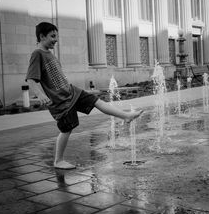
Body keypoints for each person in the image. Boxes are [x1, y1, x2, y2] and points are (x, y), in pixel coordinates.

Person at [26, 22, 143, 170]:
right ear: (42, 36)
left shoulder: (50, 53)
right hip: (60, 101)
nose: (56, 39)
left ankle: (126, 116)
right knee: (66, 129)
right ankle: (58, 160)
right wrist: (40, 95)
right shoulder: (37, 54)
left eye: (56, 36)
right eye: (52, 36)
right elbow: (31, 79)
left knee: (96, 101)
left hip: (71, 92)